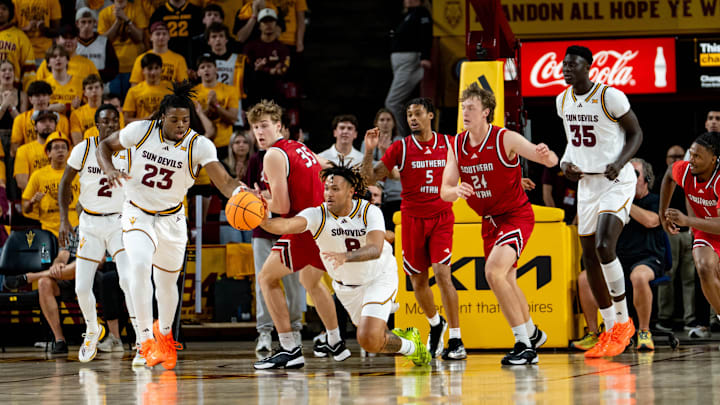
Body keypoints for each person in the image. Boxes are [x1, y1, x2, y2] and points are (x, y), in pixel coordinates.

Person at [96, 81, 247, 370]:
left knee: (166, 285)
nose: (181, 125)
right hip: (137, 213)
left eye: (186, 120)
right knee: (138, 269)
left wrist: (244, 194)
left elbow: (225, 182)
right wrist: (110, 168)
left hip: (173, 220)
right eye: (175, 119)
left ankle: (164, 336)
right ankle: (143, 342)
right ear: (162, 116)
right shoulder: (140, 131)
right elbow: (105, 145)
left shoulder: (199, 145)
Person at [258, 163, 431, 366]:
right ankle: (408, 343)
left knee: (366, 338)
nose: (328, 194)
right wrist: (261, 217)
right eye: (326, 189)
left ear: (351, 191)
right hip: (347, 288)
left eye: (335, 189)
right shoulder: (318, 214)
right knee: (373, 341)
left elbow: (375, 249)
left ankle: (415, 349)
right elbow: (285, 225)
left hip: (379, 277)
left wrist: (346, 256)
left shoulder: (369, 212)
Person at [441, 83, 558, 365]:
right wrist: (455, 191)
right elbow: (444, 188)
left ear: (486, 112)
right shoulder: (456, 144)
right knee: (505, 279)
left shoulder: (505, 139)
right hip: (489, 221)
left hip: (515, 215)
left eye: (471, 107)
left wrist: (546, 154)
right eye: (463, 107)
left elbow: (551, 161)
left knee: (493, 272)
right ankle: (532, 332)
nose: (465, 112)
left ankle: (524, 345)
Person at [557, 45, 643, 358]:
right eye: (564, 64)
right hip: (588, 184)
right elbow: (573, 142)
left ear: (588, 67)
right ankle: (609, 328)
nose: (566, 69)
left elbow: (636, 134)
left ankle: (623, 322)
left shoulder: (610, 97)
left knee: (605, 246)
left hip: (617, 180)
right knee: (589, 258)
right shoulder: (563, 100)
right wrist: (565, 164)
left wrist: (620, 163)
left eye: (573, 64)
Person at [248, 100, 347, 370]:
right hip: (323, 225)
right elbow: (325, 164)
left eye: (265, 126)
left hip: (303, 228)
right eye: (255, 127)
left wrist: (257, 202)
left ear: (278, 126)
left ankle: (290, 348)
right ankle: (336, 341)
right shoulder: (301, 147)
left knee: (266, 279)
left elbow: (281, 207)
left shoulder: (273, 155)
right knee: (310, 280)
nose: (259, 132)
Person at [362, 97, 463, 360]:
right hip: (412, 219)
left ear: (431, 116)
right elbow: (370, 178)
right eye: (408, 115)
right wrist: (369, 150)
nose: (412, 119)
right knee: (418, 281)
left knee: (443, 274)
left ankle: (456, 339)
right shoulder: (401, 147)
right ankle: (434, 324)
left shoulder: (450, 143)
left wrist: (514, 179)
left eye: (417, 113)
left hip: (441, 216)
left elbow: (476, 168)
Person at [58, 104, 139, 363]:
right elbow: (65, 183)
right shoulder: (83, 148)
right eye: (106, 121)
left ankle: (141, 338)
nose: (111, 124)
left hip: (119, 223)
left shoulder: (130, 150)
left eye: (115, 120)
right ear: (96, 123)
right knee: (82, 287)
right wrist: (63, 219)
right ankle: (92, 329)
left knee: (127, 280)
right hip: (90, 225)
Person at [571, 158, 666, 352]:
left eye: (634, 174)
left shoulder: (654, 200)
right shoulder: (608, 200)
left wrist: (621, 197)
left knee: (638, 277)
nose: (627, 176)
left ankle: (644, 331)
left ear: (646, 179)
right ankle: (594, 333)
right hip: (617, 256)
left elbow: (651, 221)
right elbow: (579, 221)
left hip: (646, 257)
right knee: (584, 278)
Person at [660, 131, 720, 343]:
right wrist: (662, 214)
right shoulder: (685, 171)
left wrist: (687, 221)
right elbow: (668, 175)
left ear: (713, 159)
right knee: (703, 267)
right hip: (706, 230)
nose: (690, 160)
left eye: (697, 156)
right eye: (691, 154)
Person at [656, 145, 698, 334]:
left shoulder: (693, 177)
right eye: (672, 156)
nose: (676, 159)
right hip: (669, 231)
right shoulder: (661, 180)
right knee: (668, 274)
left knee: (689, 277)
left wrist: (693, 229)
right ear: (666, 159)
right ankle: (665, 318)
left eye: (680, 156)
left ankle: (690, 318)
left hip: (689, 231)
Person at [384, 0, 432, 137]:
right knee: (402, 101)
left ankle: (401, 137)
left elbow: (426, 34)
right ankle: (406, 136)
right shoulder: (406, 15)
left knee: (392, 101)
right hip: (401, 64)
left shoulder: (421, 13)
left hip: (410, 62)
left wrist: (425, 57)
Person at [21, 130, 78, 235]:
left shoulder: (77, 174)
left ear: (68, 152)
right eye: (56, 148)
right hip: (47, 231)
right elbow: (25, 208)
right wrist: (32, 201)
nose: (60, 150)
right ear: (48, 153)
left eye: (63, 148)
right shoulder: (38, 175)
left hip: (74, 228)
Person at [98, 0, 149, 99]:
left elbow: (139, 37)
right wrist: (117, 22)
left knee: (131, 100)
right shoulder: (104, 13)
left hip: (133, 67)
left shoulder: (137, 10)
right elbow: (103, 42)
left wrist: (127, 20)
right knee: (114, 102)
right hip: (112, 68)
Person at [192, 54, 239, 159]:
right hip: (203, 143)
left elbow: (232, 119)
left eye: (209, 66)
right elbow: (194, 122)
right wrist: (209, 107)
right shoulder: (193, 93)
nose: (206, 70)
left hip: (225, 144)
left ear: (216, 69)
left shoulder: (230, 90)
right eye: (202, 67)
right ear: (198, 73)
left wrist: (216, 105)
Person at [243, 9, 290, 107]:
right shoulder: (250, 47)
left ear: (276, 24)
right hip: (255, 91)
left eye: (271, 21)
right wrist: (269, 70)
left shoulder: (282, 48)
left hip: (275, 92)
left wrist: (262, 69)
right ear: (259, 25)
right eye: (265, 21)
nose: (268, 24)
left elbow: (283, 69)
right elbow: (246, 68)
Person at [10, 81, 70, 156]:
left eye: (44, 95)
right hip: (30, 159)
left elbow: (67, 146)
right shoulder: (20, 119)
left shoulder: (62, 119)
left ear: (49, 97)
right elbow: (14, 148)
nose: (41, 99)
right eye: (37, 95)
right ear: (30, 99)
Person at [14, 109, 69, 191]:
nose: (47, 124)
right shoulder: (23, 150)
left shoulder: (66, 149)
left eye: (51, 121)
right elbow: (21, 182)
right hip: (35, 199)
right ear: (35, 127)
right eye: (42, 121)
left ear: (56, 125)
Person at [35, 24, 100, 85]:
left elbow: (97, 88)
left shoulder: (88, 65)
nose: (69, 41)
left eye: (72, 38)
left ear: (77, 40)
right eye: (65, 37)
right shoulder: (48, 63)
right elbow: (37, 88)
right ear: (57, 40)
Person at [129, 22, 189, 86]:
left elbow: (183, 86)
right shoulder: (141, 59)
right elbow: (135, 85)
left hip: (170, 95)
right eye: (158, 34)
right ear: (151, 37)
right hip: (148, 95)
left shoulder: (179, 59)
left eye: (164, 34)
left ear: (169, 36)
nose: (161, 37)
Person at [149, 0, 204, 67]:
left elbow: (200, 39)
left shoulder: (196, 11)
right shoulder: (159, 13)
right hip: (166, 60)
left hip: (192, 60)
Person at [123, 53, 173, 123]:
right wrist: (148, 119)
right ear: (143, 70)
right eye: (150, 68)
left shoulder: (170, 89)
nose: (153, 72)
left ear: (161, 69)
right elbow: (126, 120)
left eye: (156, 68)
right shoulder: (133, 91)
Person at [75, 7, 120, 85]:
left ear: (95, 23)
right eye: (83, 22)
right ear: (77, 23)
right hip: (77, 84)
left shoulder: (104, 42)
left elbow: (113, 68)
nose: (86, 25)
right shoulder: (72, 43)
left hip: (100, 85)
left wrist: (96, 76)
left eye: (90, 22)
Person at [0, 0, 35, 86]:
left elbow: (29, 71)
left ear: (10, 13)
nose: (0, 11)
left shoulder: (20, 37)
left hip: (12, 92)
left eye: (4, 9)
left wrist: (28, 93)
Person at [44, 45, 84, 116]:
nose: (58, 59)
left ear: (67, 60)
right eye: (54, 56)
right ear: (48, 63)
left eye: (61, 56)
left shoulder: (80, 82)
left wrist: (78, 108)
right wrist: (50, 108)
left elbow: (89, 108)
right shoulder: (44, 84)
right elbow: (37, 110)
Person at [70, 74, 104, 145]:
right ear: (84, 92)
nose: (94, 90)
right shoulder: (76, 114)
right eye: (90, 88)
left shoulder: (113, 112)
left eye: (97, 87)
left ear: (102, 90)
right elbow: (77, 143)